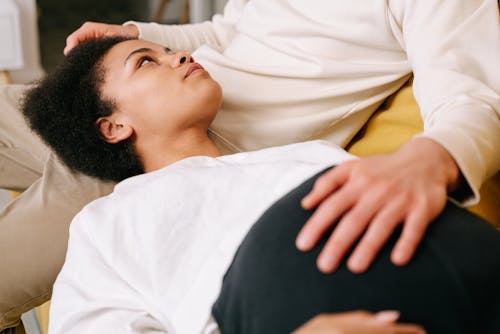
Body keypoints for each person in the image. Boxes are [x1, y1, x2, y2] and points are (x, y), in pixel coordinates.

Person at [1, 0, 499, 330]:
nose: (180, 57)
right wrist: (139, 36)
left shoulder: (306, 164)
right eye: (158, 57)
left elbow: (474, 89)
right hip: (136, 116)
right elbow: (229, 31)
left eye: (167, 54)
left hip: (200, 139)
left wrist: (435, 155)